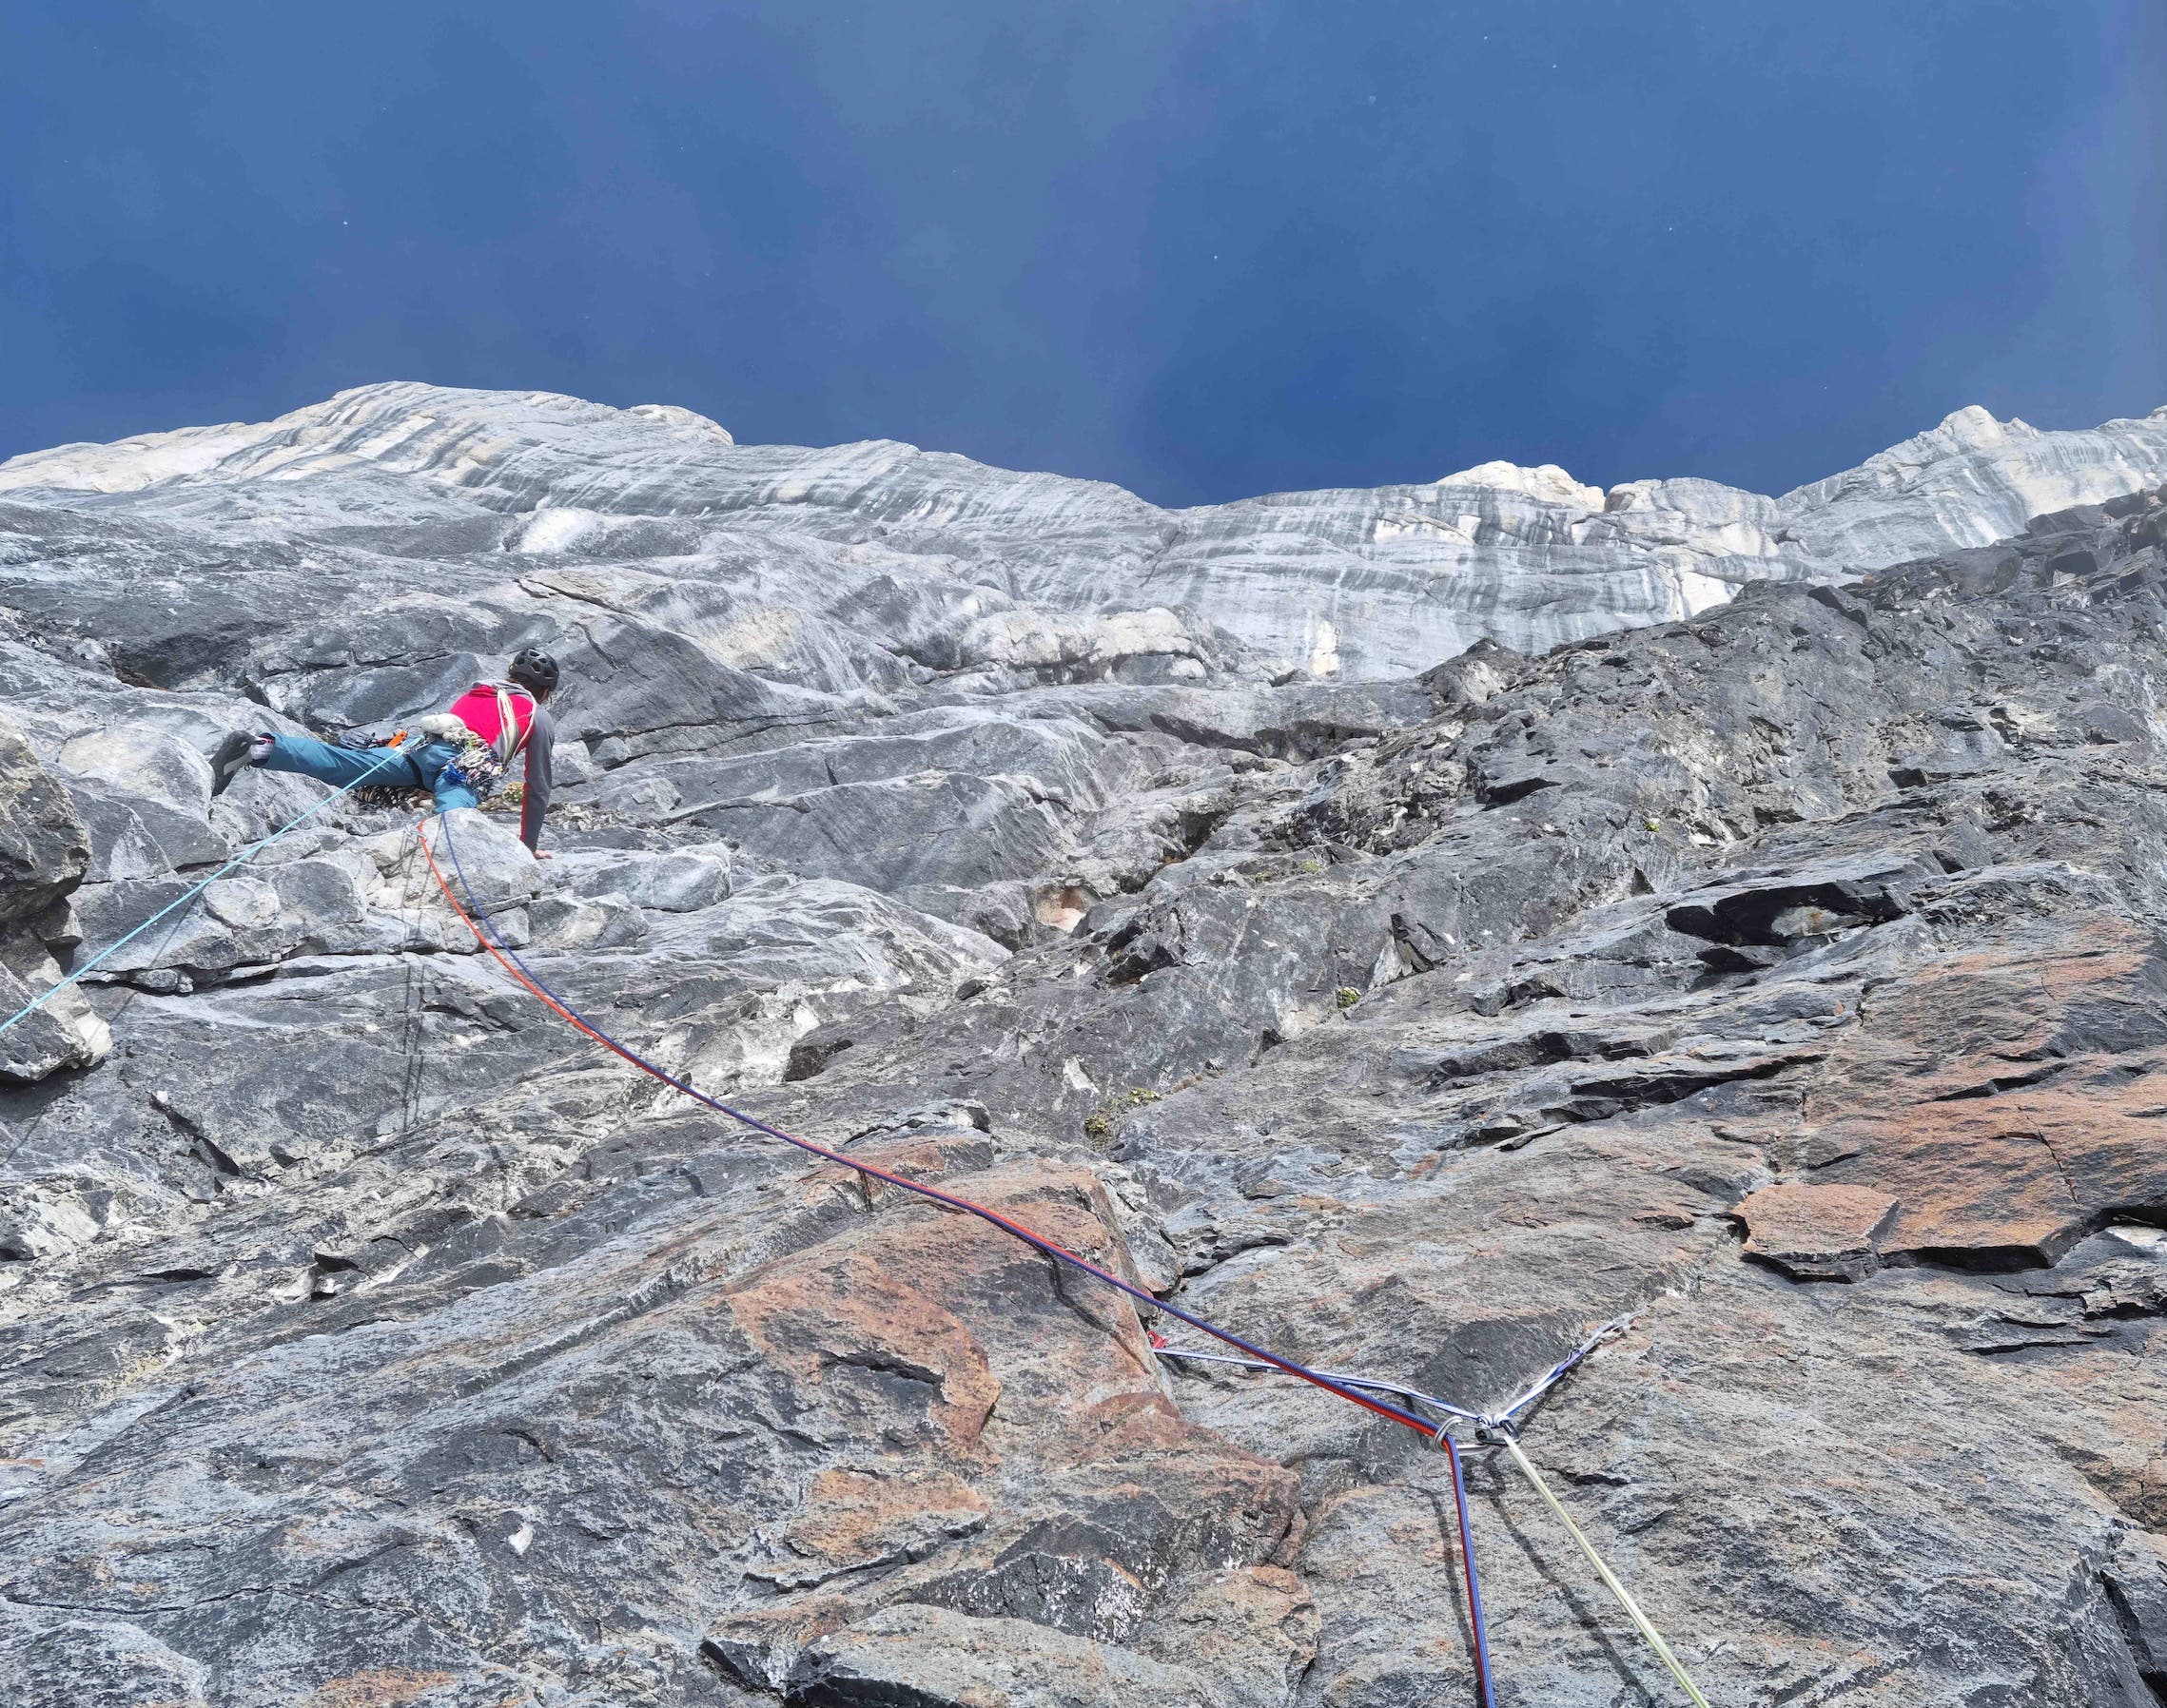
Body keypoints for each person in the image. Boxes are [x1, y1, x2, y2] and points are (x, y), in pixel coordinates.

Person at [208, 648, 560, 857]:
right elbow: (537, 787)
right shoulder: (537, 715)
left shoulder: (477, 693)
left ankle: (259, 750)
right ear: (544, 692)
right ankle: (438, 856)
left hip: (419, 752)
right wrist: (527, 845)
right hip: (464, 767)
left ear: (511, 674)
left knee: (345, 763)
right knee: (454, 815)